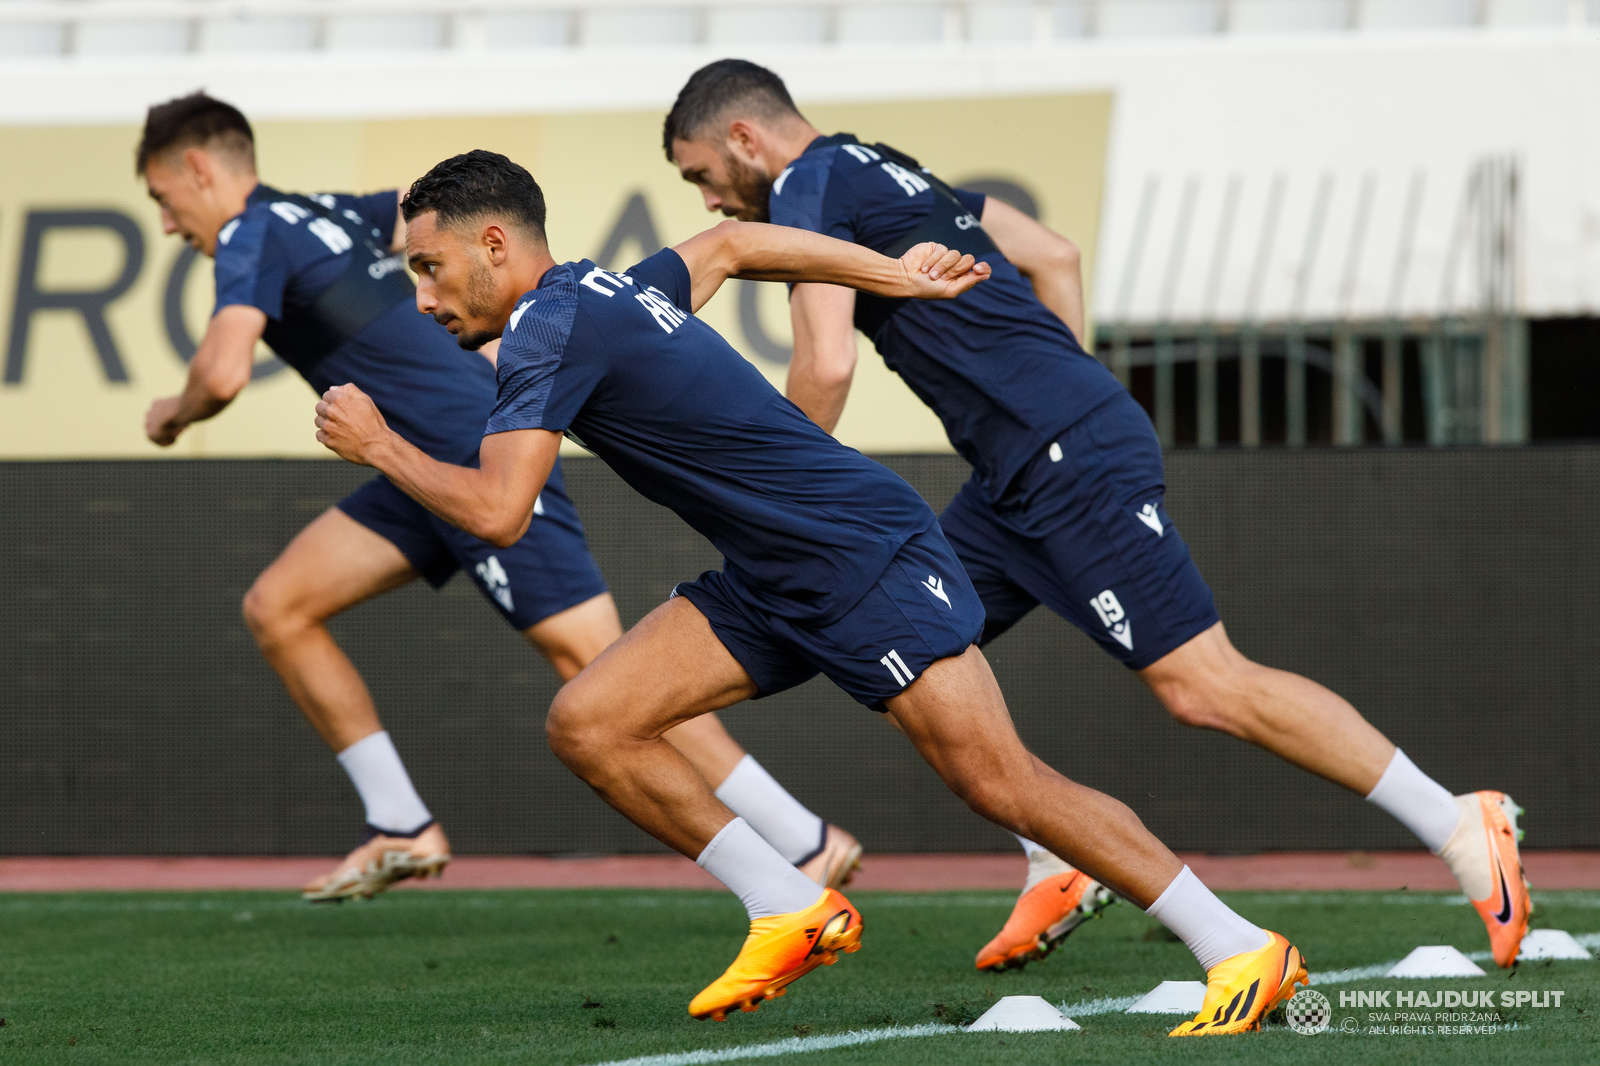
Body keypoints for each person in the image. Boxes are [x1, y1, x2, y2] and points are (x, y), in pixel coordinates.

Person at [314, 148, 1307, 1036]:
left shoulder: (548, 326)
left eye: (429, 267)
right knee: (591, 720)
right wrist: (897, 276)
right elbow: (733, 242)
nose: (424, 296)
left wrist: (379, 446)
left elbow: (496, 512)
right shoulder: (601, 291)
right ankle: (788, 903)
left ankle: (1236, 946)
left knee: (1000, 782)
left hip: (855, 554)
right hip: (773, 571)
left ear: (494, 242)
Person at [661, 58, 1532, 972]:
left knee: (1203, 683)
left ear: (744, 140)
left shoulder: (805, 187)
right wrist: (1052, 388)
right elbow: (1054, 254)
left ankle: (1457, 822)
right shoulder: (881, 164)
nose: (714, 204)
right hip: (1019, 470)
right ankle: (1059, 858)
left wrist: (784, 499)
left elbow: (827, 363)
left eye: (703, 178)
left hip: (1060, 455)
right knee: (908, 657)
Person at [134, 92, 862, 902]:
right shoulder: (322, 213)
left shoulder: (248, 233)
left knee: (609, 674)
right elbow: (425, 205)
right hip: (413, 462)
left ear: (198, 170)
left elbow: (225, 371)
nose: (168, 224)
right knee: (280, 605)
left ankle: (802, 840)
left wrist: (174, 413)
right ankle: (402, 824)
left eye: (163, 199)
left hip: (476, 453)